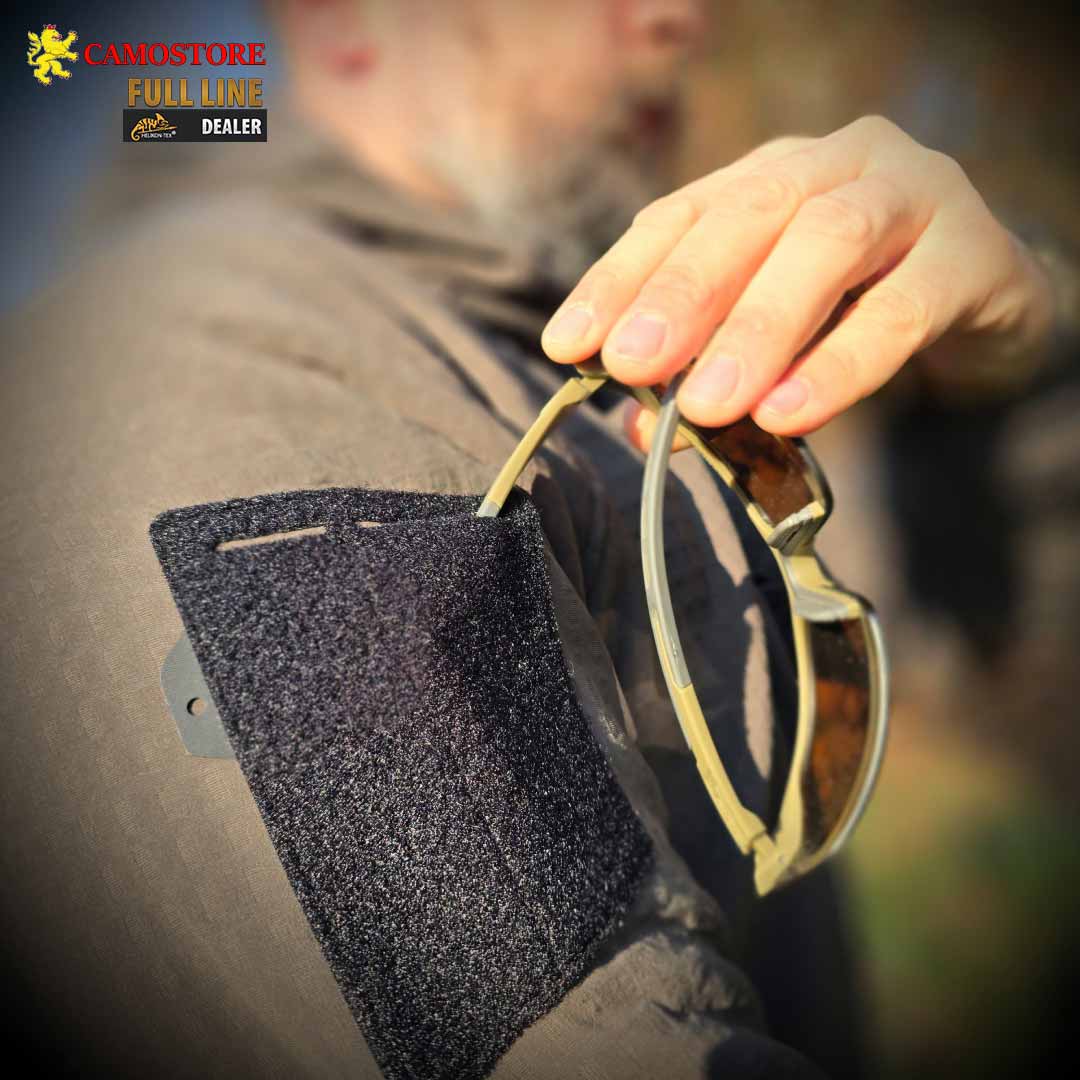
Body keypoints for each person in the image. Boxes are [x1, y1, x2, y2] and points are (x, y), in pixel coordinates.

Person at [0, 1, 1068, 1077]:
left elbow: (1009, 686)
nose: (681, 17)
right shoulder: (232, 389)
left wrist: (1002, 386)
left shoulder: (555, 343)